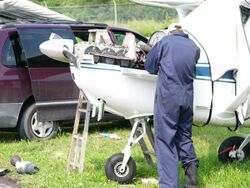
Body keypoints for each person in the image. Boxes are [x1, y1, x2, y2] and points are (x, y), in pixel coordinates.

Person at [144, 23, 200, 188]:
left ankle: (169, 185)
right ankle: (191, 182)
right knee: (184, 137)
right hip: (187, 98)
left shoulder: (165, 42)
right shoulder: (194, 47)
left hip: (168, 98)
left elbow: (150, 67)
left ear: (169, 33)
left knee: (165, 140)